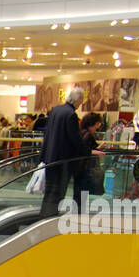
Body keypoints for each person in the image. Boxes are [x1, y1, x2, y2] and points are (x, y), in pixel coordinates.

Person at [38, 86, 85, 217]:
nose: (81, 103)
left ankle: (44, 215)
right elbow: (75, 138)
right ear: (78, 100)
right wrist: (88, 151)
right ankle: (50, 216)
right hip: (63, 159)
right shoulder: (71, 115)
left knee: (49, 190)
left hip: (50, 157)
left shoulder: (56, 110)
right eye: (81, 100)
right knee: (58, 191)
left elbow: (48, 134)